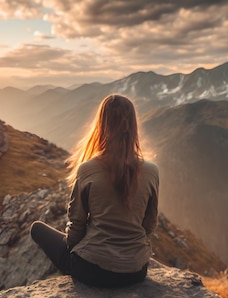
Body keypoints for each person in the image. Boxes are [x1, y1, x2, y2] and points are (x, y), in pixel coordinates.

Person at [30, 94, 159, 288]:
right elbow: (149, 224)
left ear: (101, 125)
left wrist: (77, 252)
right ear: (133, 127)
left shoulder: (88, 169)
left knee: (37, 229)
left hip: (92, 271)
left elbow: (77, 225)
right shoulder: (151, 171)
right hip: (136, 272)